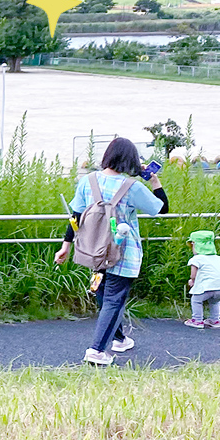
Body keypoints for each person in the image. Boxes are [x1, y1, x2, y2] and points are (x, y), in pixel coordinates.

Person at [54, 138, 169, 366]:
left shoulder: (87, 181)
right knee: (114, 300)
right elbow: (162, 209)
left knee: (104, 294)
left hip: (95, 249)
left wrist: (65, 245)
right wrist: (155, 181)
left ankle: (119, 339)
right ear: (132, 160)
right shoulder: (132, 187)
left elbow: (75, 216)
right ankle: (96, 350)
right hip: (123, 253)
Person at [185, 230, 220, 328]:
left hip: (208, 286)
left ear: (196, 245)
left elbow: (193, 274)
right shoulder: (217, 258)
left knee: (196, 300)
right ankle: (214, 320)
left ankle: (197, 320)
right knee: (215, 301)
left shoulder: (197, 259)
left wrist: (192, 280)